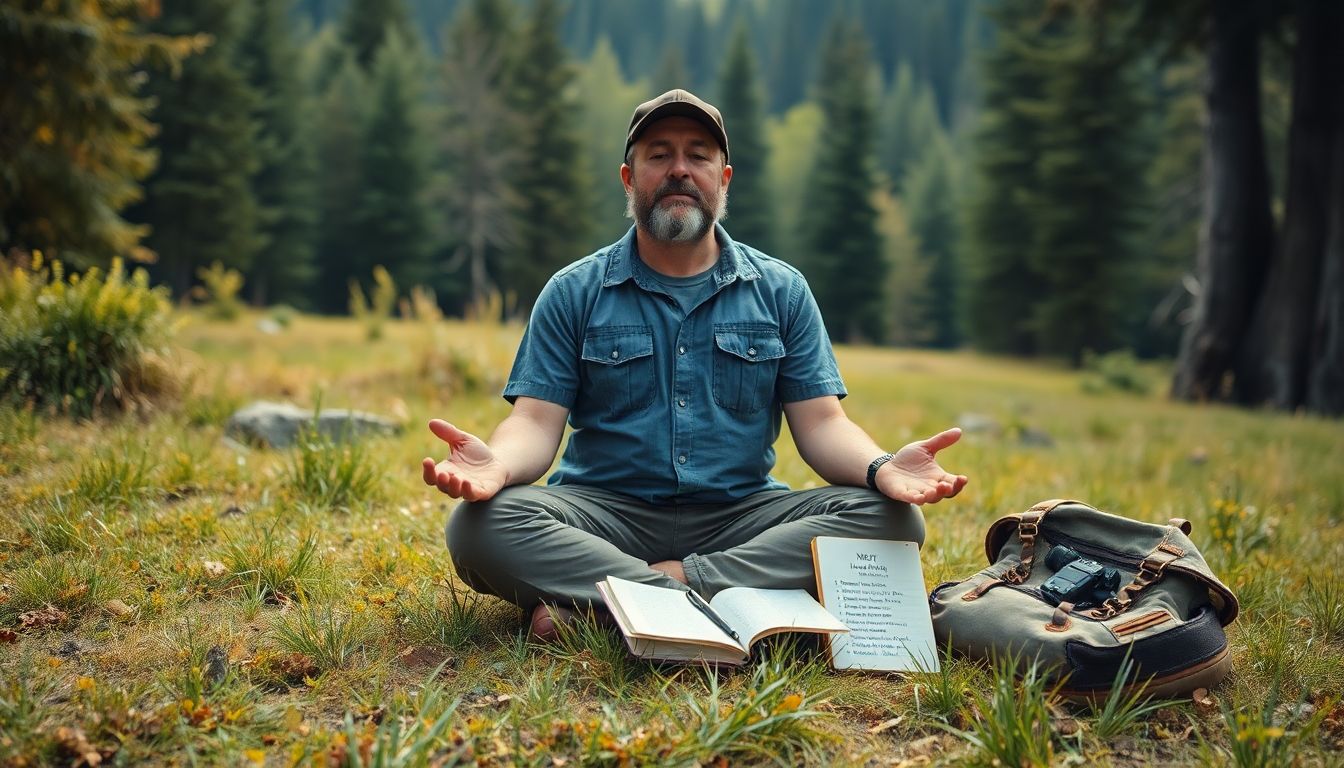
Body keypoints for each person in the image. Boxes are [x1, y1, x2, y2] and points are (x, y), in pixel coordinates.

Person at [421, 89, 968, 640]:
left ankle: (622, 600)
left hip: (740, 521)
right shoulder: (573, 291)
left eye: (698, 155)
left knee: (894, 519)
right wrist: (498, 467)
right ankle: (698, 599)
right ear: (628, 177)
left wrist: (883, 468)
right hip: (604, 518)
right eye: (658, 155)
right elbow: (534, 424)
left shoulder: (782, 290)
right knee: (478, 526)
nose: (679, 169)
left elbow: (823, 424)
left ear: (723, 178)